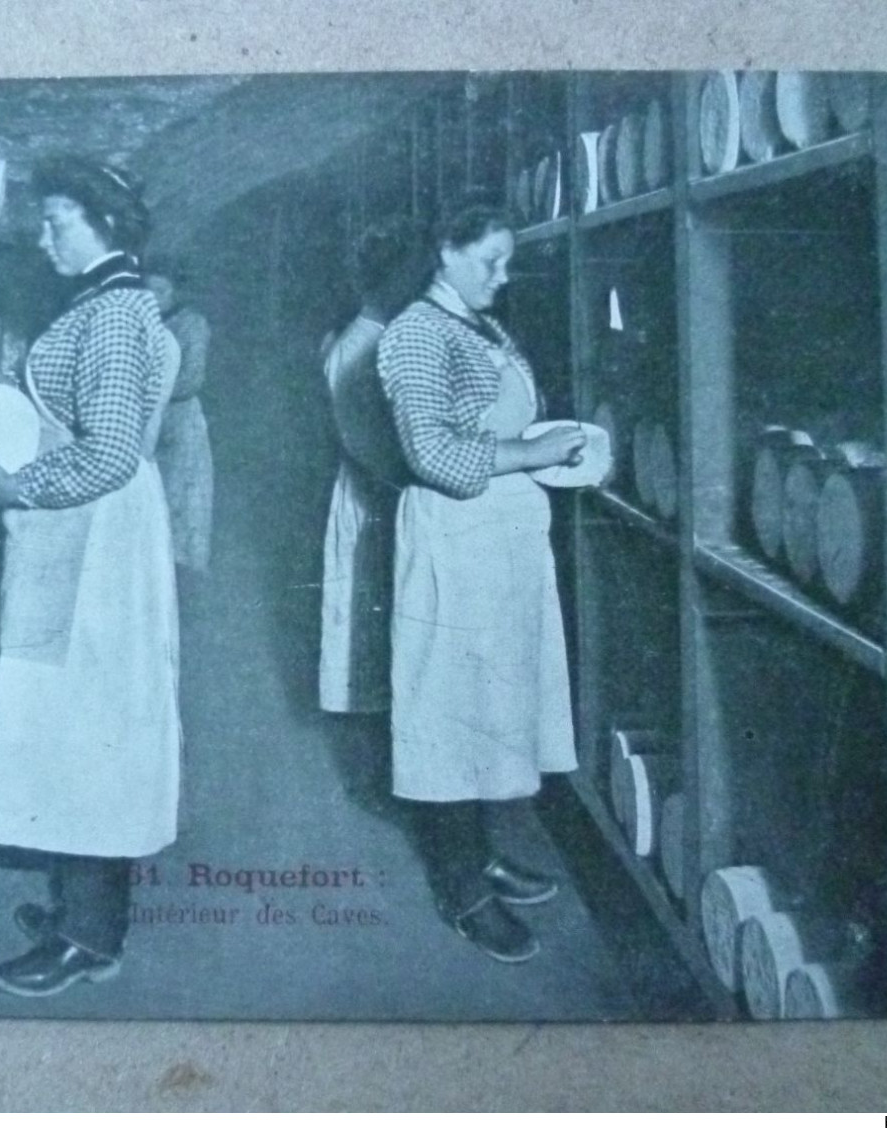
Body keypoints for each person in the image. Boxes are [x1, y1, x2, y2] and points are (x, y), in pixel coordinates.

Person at [0, 157, 181, 998]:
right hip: (85, 532)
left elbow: (112, 454)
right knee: (77, 717)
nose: (44, 236)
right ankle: (85, 911)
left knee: (91, 722)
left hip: (97, 536)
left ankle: (91, 934)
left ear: (107, 225)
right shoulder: (103, 304)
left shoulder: (116, 314)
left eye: (58, 221)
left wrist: (13, 487)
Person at [377, 202, 587, 964]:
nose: (503, 276)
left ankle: (483, 853)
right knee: (450, 707)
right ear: (444, 249)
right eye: (489, 260)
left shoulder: (477, 324)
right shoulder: (415, 333)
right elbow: (431, 451)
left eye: (507, 261)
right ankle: (462, 890)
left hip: (499, 543)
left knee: (492, 700)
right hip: (453, 539)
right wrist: (534, 456)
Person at [318, 217, 425, 715]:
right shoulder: (363, 343)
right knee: (378, 619)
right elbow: (366, 441)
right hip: (376, 491)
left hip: (373, 486)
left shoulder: (363, 334)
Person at [145, 261, 214, 575]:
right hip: (148, 422)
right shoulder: (143, 323)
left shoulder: (192, 324)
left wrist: (146, 391)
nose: (153, 296)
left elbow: (190, 378)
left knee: (179, 503)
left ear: (176, 292)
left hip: (179, 422)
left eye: (161, 290)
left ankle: (180, 579)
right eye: (148, 290)